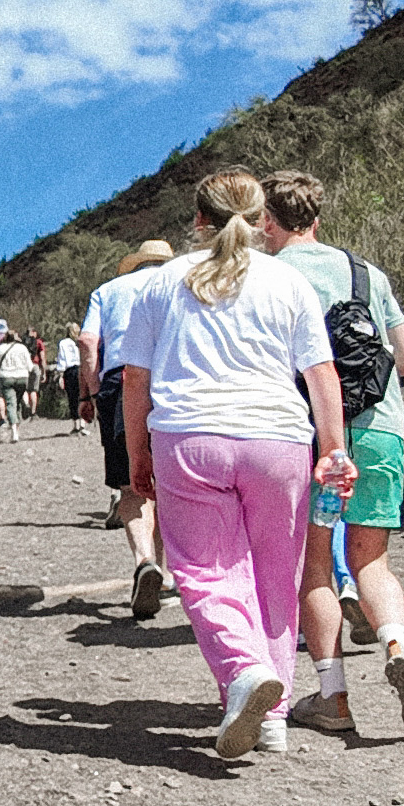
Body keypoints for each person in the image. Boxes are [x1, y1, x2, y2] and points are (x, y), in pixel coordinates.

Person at [114, 171, 356, 760]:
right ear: (261, 217)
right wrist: (334, 448)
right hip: (278, 443)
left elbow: (135, 381)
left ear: (198, 220)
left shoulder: (159, 284)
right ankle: (271, 717)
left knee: (206, 572)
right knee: (277, 574)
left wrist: (136, 456)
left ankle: (244, 673)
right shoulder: (287, 281)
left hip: (189, 440)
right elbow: (320, 374)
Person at [259, 169, 404, 736]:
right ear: (316, 219)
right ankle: (396, 646)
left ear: (267, 221)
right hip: (382, 428)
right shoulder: (367, 273)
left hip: (313, 436)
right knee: (371, 561)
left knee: (315, 566)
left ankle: (333, 699)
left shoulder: (265, 275)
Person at [77, 239, 177, 617]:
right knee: (169, 481)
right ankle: (167, 575)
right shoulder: (182, 283)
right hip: (174, 377)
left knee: (131, 483)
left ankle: (144, 561)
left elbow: (88, 341)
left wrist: (91, 391)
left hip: (121, 381)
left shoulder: (107, 291)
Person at [0, 322, 36, 441]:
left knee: (11, 403)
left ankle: (14, 431)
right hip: (22, 377)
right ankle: (24, 407)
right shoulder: (22, 348)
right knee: (18, 402)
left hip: (6, 377)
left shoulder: (0, 349)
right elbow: (30, 366)